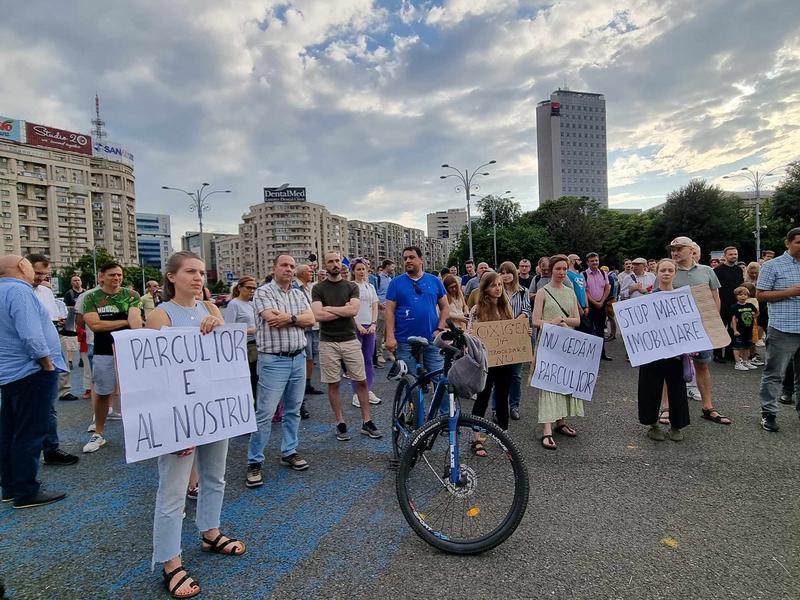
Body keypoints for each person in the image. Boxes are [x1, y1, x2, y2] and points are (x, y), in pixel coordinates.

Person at [145, 251, 245, 598]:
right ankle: (170, 562)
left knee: (215, 477)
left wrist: (219, 328)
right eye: (190, 271)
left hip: (212, 411)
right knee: (172, 492)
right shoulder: (160, 315)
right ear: (171, 277)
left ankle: (210, 533)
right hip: (179, 416)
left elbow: (224, 360)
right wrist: (175, 429)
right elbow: (154, 376)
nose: (198, 277)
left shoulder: (211, 309)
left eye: (201, 272)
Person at [0, 254, 68, 509]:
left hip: (10, 373)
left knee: (10, 432)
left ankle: (10, 486)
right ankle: (26, 491)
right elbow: (30, 334)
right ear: (21, 266)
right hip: (31, 372)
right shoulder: (19, 291)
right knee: (30, 433)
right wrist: (46, 362)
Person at [246, 254, 315, 487]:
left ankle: (289, 451)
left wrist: (290, 318)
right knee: (265, 413)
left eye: (292, 266)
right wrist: (298, 319)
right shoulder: (263, 292)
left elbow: (311, 319)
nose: (289, 269)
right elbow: (271, 319)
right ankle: (255, 461)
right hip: (273, 361)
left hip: (298, 358)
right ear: (274, 268)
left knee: (293, 410)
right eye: (284, 265)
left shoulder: (298, 293)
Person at [312, 251, 382, 441]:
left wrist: (329, 308)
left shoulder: (351, 286)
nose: (335, 264)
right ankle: (340, 423)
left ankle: (367, 421)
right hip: (328, 341)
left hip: (350, 339)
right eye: (330, 261)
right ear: (325, 265)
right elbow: (318, 315)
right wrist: (344, 310)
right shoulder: (318, 288)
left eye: (337, 261)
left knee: (361, 380)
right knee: (333, 383)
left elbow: (354, 310)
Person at [81, 262, 143, 453]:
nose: (116, 278)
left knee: (136, 392)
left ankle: (141, 431)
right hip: (104, 351)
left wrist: (129, 324)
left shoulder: (131, 295)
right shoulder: (91, 297)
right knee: (102, 393)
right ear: (101, 276)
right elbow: (95, 325)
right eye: (112, 275)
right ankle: (98, 433)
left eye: (119, 275)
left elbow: (135, 322)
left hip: (129, 351)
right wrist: (124, 321)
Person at [669, 236, 731, 425]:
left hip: (701, 328)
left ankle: (708, 407)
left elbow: (715, 297)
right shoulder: (668, 271)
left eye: (679, 249)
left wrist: (713, 322)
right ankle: (667, 408)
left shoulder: (707, 271)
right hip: (676, 329)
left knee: (702, 365)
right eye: (673, 249)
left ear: (691, 250)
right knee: (670, 368)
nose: (675, 252)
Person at [26, 255, 79, 466]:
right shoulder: (18, 293)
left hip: (50, 356)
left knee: (49, 407)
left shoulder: (46, 292)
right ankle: (24, 463)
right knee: (24, 411)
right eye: (37, 273)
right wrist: (44, 360)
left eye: (44, 274)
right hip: (30, 361)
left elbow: (53, 320)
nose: (40, 278)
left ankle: (50, 448)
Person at [532, 255, 584, 450]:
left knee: (564, 381)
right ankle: (547, 429)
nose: (561, 272)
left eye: (564, 269)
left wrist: (563, 320)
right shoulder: (542, 292)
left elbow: (577, 320)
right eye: (558, 269)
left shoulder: (570, 292)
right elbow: (535, 321)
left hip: (566, 344)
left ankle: (561, 422)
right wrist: (552, 322)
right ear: (551, 270)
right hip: (548, 343)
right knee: (547, 385)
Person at [637, 259, 690, 442]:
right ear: (657, 273)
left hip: (676, 352)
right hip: (652, 352)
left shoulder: (682, 297)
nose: (666, 273)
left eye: (670, 270)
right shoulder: (647, 299)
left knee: (677, 389)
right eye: (663, 270)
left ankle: (677, 426)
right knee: (650, 388)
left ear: (675, 273)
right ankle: (653, 425)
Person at [467, 272, 517, 454]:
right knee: (483, 396)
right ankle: (476, 438)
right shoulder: (477, 309)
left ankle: (503, 435)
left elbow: (513, 331)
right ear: (486, 288)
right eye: (493, 285)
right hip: (486, 362)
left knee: (503, 397)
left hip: (505, 361)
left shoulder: (506, 307)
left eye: (500, 285)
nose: (498, 288)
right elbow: (470, 333)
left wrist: (523, 334)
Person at [756, 227, 800, 432]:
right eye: (798, 242)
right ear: (788, 243)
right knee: (774, 373)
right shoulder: (772, 265)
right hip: (783, 328)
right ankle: (769, 413)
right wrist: (789, 292)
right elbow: (760, 295)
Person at [385, 246, 450, 382]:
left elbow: (445, 307)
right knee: (412, 383)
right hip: (405, 341)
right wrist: (390, 337)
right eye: (405, 258)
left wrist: (440, 329)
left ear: (421, 259)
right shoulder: (396, 283)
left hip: (431, 339)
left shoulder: (435, 281)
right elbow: (389, 311)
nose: (407, 261)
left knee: (440, 380)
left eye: (411, 257)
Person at [499, 261, 532, 420]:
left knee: (516, 375)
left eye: (509, 272)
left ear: (514, 274)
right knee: (499, 375)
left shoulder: (523, 291)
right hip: (499, 337)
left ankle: (514, 406)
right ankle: (497, 408)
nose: (506, 276)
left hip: (517, 337)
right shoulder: (496, 291)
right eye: (502, 272)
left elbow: (526, 310)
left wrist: (514, 324)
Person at [350, 258, 382, 408]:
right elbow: (350, 308)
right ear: (353, 271)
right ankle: (356, 393)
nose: (361, 272)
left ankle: (368, 389)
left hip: (370, 327)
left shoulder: (370, 287)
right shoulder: (350, 286)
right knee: (356, 361)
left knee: (368, 359)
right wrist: (357, 325)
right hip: (355, 327)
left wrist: (373, 323)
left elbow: (374, 306)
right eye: (358, 269)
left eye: (363, 269)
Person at [293, 264, 322, 417]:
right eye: (310, 271)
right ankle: (299, 398)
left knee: (311, 357)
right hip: (304, 329)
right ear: (302, 273)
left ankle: (308, 384)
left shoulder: (310, 287)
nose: (312, 273)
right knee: (304, 358)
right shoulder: (295, 288)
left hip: (315, 326)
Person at [224, 276, 258, 398]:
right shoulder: (234, 304)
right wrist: (250, 331)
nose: (252, 291)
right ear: (239, 287)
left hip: (257, 345)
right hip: (244, 347)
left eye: (254, 288)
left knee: (257, 378)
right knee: (251, 379)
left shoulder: (252, 304)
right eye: (249, 288)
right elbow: (228, 329)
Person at [713, 246, 744, 363]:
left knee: (733, 329)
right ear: (725, 256)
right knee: (720, 330)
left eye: (735, 254)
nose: (733, 256)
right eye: (731, 254)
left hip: (735, 304)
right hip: (722, 303)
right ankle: (717, 354)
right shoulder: (717, 270)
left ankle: (730, 353)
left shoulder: (739, 270)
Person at [583, 252, 612, 361]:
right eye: (592, 261)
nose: (595, 262)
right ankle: (590, 355)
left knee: (600, 330)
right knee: (590, 330)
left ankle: (602, 353)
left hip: (601, 304)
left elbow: (607, 287)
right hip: (590, 306)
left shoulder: (603, 273)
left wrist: (602, 301)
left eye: (596, 260)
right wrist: (594, 302)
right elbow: (585, 291)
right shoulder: (584, 275)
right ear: (587, 263)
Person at [730, 286, 758, 371]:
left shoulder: (750, 305)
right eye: (740, 294)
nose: (743, 296)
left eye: (745, 294)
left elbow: (756, 312)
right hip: (739, 330)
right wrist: (735, 330)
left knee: (747, 346)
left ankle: (746, 361)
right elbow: (733, 319)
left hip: (748, 330)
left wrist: (753, 317)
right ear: (736, 296)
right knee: (737, 347)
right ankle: (738, 363)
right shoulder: (734, 307)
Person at [374, 259, 395, 368]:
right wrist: (379, 304)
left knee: (390, 331)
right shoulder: (377, 278)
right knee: (380, 332)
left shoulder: (390, 279)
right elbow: (374, 293)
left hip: (390, 309)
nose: (393, 269)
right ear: (387, 266)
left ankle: (390, 352)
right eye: (392, 266)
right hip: (381, 309)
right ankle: (378, 354)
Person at [61, 274, 84, 367]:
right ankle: (70, 361)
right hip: (71, 317)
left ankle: (82, 359)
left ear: (81, 281)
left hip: (83, 317)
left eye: (78, 280)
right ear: (71, 283)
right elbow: (65, 307)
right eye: (75, 280)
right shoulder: (69, 293)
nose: (77, 282)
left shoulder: (86, 293)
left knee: (84, 338)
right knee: (70, 339)